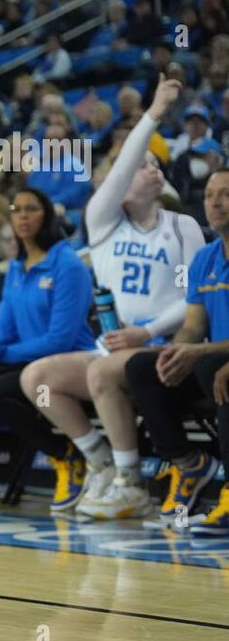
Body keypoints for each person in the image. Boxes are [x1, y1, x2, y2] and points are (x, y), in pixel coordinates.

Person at [20, 77, 206, 519]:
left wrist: (148, 329)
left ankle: (131, 483)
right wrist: (152, 114)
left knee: (103, 370)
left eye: (152, 163)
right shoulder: (103, 224)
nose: (149, 166)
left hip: (164, 345)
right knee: (37, 380)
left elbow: (195, 296)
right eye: (138, 165)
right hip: (115, 350)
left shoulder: (184, 227)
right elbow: (119, 166)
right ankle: (99, 461)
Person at [0, 187, 96, 507]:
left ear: (47, 215)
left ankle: (66, 455)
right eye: (17, 209)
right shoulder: (15, 267)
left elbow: (59, 340)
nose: (23, 216)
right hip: (27, 361)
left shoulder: (68, 265)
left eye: (31, 209)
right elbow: (5, 324)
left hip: (66, 364)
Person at [124, 169, 229, 532]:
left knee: (213, 368)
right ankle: (188, 462)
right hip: (212, 360)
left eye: (225, 194)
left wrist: (197, 354)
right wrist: (175, 350)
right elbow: (193, 326)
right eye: (210, 195)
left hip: (219, 365)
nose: (215, 202)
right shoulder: (205, 258)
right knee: (142, 366)